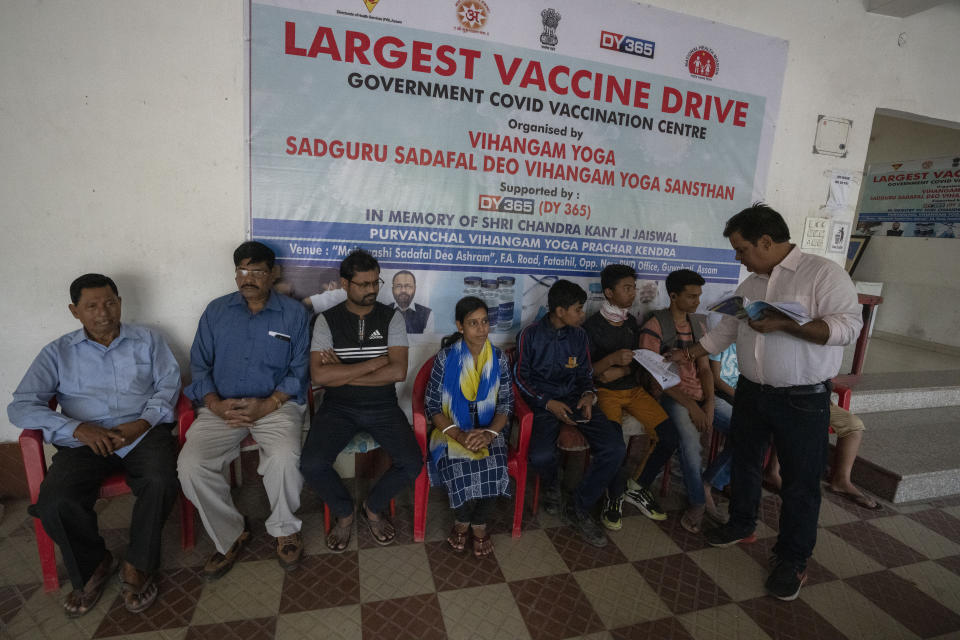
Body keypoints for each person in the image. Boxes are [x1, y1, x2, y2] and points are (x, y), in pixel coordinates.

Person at [668, 203, 862, 601]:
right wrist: (689, 354)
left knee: (800, 482)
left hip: (802, 400)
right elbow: (725, 332)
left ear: (767, 241)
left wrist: (787, 324)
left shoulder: (824, 274)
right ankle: (741, 523)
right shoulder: (752, 284)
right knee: (744, 462)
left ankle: (792, 559)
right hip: (754, 394)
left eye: (741, 249)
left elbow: (847, 329)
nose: (738, 258)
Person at [7, 274, 180, 617]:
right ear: (75, 311)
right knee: (55, 502)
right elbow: (21, 405)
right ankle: (95, 562)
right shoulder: (57, 352)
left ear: (120, 303)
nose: (104, 312)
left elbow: (169, 385)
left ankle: (138, 563)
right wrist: (75, 428)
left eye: (110, 303)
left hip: (141, 433)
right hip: (84, 442)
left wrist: (142, 423)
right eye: (92, 306)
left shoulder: (148, 340)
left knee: (161, 480)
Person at [178, 241, 310, 579]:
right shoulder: (217, 311)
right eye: (242, 271)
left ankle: (284, 528)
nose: (248, 278)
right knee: (191, 466)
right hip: (222, 405)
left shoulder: (293, 314)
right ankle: (231, 533)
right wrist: (214, 404)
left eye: (257, 272)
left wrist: (269, 403)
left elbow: (299, 370)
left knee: (284, 456)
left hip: (275, 405)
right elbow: (199, 364)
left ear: (274, 273)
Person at [301, 249, 422, 551]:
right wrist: (372, 363)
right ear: (345, 283)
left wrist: (341, 370)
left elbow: (397, 371)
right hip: (338, 407)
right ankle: (344, 512)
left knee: (412, 463)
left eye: (374, 283)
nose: (371, 290)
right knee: (312, 464)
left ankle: (373, 506)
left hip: (382, 405)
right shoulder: (326, 321)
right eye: (363, 284)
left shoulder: (391, 317)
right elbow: (319, 376)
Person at [514, 279, 626, 547]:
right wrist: (547, 402)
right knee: (539, 454)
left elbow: (585, 374)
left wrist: (589, 395)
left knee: (615, 448)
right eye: (578, 309)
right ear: (560, 310)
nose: (582, 314)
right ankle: (552, 484)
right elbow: (520, 378)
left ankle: (578, 506)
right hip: (545, 403)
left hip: (576, 400)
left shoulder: (580, 336)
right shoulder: (529, 335)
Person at [582, 264, 680, 528]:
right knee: (614, 445)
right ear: (609, 293)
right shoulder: (592, 327)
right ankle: (613, 496)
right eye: (626, 288)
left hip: (634, 391)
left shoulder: (630, 324)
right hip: (605, 394)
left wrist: (623, 368)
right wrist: (609, 363)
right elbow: (585, 372)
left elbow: (637, 362)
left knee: (669, 435)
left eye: (633, 288)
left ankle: (636, 487)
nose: (632, 293)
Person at [639, 270, 733, 534]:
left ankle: (708, 482)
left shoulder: (697, 325)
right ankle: (698, 503)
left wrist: (710, 402)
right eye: (691, 296)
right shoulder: (655, 326)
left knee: (749, 431)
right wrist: (692, 407)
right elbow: (657, 379)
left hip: (701, 395)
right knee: (691, 445)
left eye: (699, 296)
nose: (696, 301)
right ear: (673, 296)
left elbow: (704, 369)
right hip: (671, 397)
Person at [425, 296, 513, 557]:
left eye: (485, 321)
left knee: (495, 464)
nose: (481, 328)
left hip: (490, 429)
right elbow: (432, 407)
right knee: (456, 466)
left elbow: (506, 405)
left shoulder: (499, 359)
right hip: (451, 429)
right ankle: (462, 520)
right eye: (473, 323)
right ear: (460, 326)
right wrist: (460, 435)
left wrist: (489, 434)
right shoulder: (445, 358)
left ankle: (479, 523)